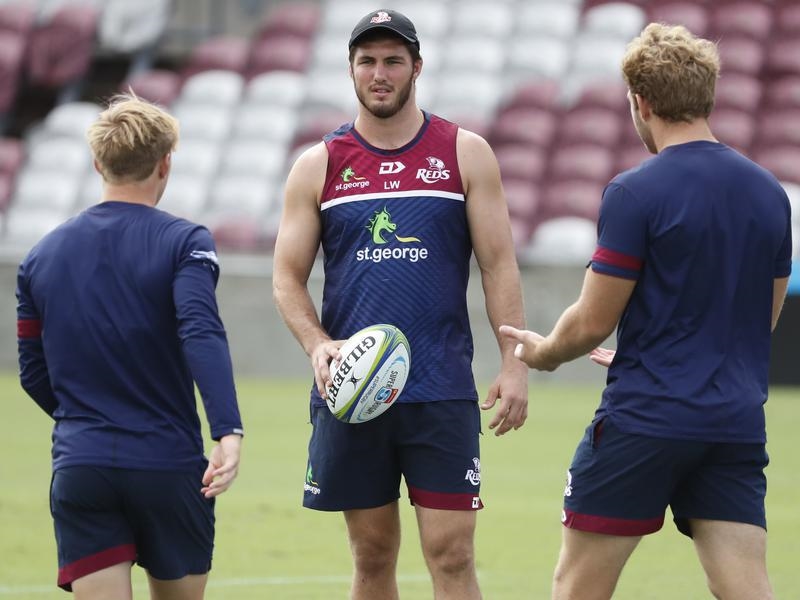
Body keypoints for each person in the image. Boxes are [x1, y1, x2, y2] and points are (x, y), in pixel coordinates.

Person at [500, 23, 792, 600]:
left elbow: (591, 322)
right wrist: (664, 345)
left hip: (647, 419)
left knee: (578, 587)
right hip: (732, 423)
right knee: (745, 588)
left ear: (642, 102)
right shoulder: (769, 193)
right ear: (708, 96)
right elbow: (762, 318)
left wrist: (545, 353)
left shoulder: (635, 192)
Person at [272, 9, 528, 600]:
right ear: (351, 70)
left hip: (439, 387)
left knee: (453, 555)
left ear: (417, 67)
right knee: (371, 554)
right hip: (353, 391)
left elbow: (499, 265)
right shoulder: (319, 165)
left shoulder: (465, 152)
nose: (379, 73)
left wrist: (514, 365)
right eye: (367, 61)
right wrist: (317, 344)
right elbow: (286, 277)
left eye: (393, 60)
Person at [16, 93, 244, 600]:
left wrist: (87, 419)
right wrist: (227, 429)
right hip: (167, 464)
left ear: (98, 163)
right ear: (165, 164)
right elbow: (200, 330)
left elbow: (33, 372)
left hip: (82, 465)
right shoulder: (186, 241)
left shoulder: (40, 256)